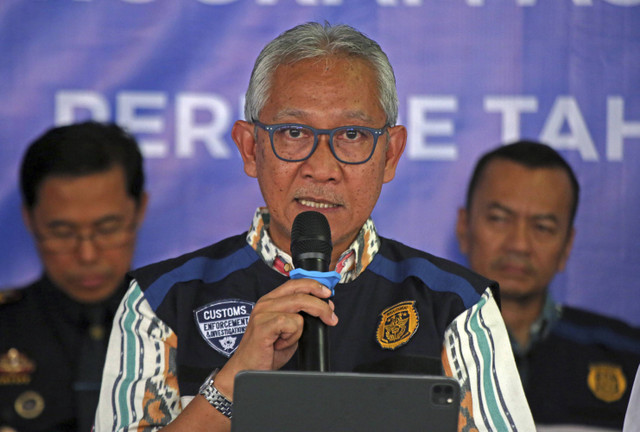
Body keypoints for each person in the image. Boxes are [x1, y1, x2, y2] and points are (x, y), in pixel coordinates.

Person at [95, 22, 534, 432]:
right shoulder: (159, 302)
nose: (322, 168)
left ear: (391, 155)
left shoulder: (456, 305)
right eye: (293, 132)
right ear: (250, 148)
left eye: (352, 135)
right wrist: (232, 381)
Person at [455, 140, 640, 430]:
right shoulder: (412, 344)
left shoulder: (627, 357)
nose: (518, 244)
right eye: (500, 219)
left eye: (542, 227)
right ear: (464, 227)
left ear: (567, 246)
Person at [0, 121, 148, 432]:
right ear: (29, 219)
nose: (87, 255)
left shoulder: (181, 325)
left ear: (139, 210)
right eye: (62, 232)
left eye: (107, 229)